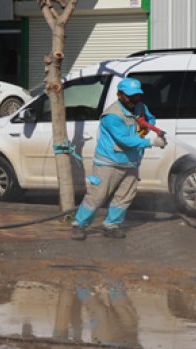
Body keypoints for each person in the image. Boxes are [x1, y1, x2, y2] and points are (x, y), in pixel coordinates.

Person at [71, 77, 166, 240]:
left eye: (137, 95)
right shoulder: (112, 115)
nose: (134, 100)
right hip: (109, 162)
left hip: (131, 161)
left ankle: (112, 225)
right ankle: (80, 224)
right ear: (119, 95)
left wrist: (145, 128)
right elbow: (123, 140)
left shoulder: (141, 107)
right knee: (97, 195)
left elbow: (150, 119)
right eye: (130, 96)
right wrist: (150, 141)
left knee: (125, 196)